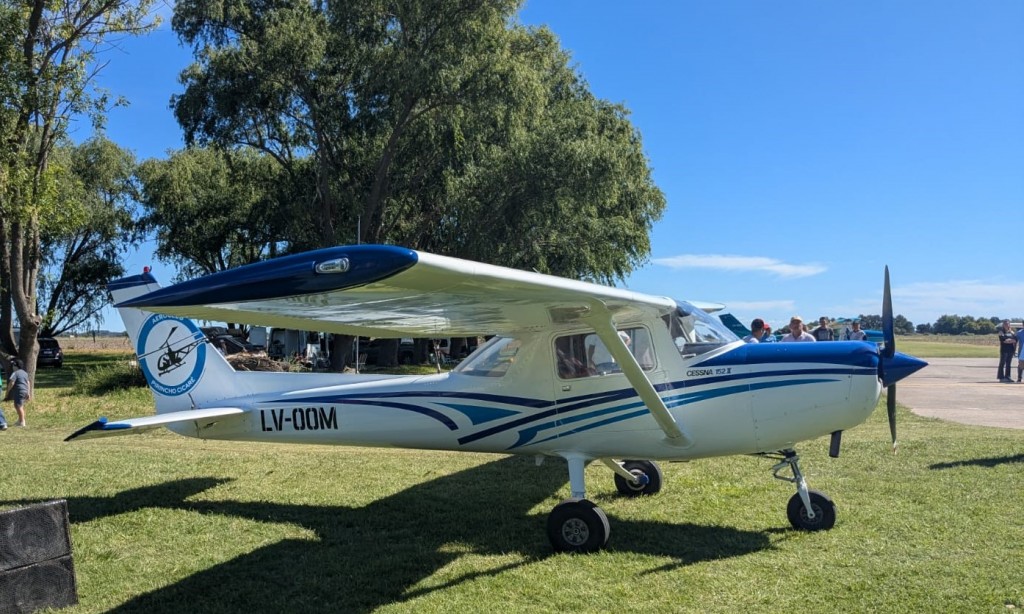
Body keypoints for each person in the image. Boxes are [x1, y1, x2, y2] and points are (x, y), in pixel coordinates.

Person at [8, 359, 31, 427]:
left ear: (16, 366)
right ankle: (20, 420)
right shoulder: (25, 373)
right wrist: (28, 392)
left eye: (13, 365)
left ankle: (22, 422)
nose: (12, 367)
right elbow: (28, 382)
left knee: (18, 406)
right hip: (25, 391)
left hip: (19, 391)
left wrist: (8, 390)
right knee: (20, 406)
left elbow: (12, 382)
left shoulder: (15, 373)